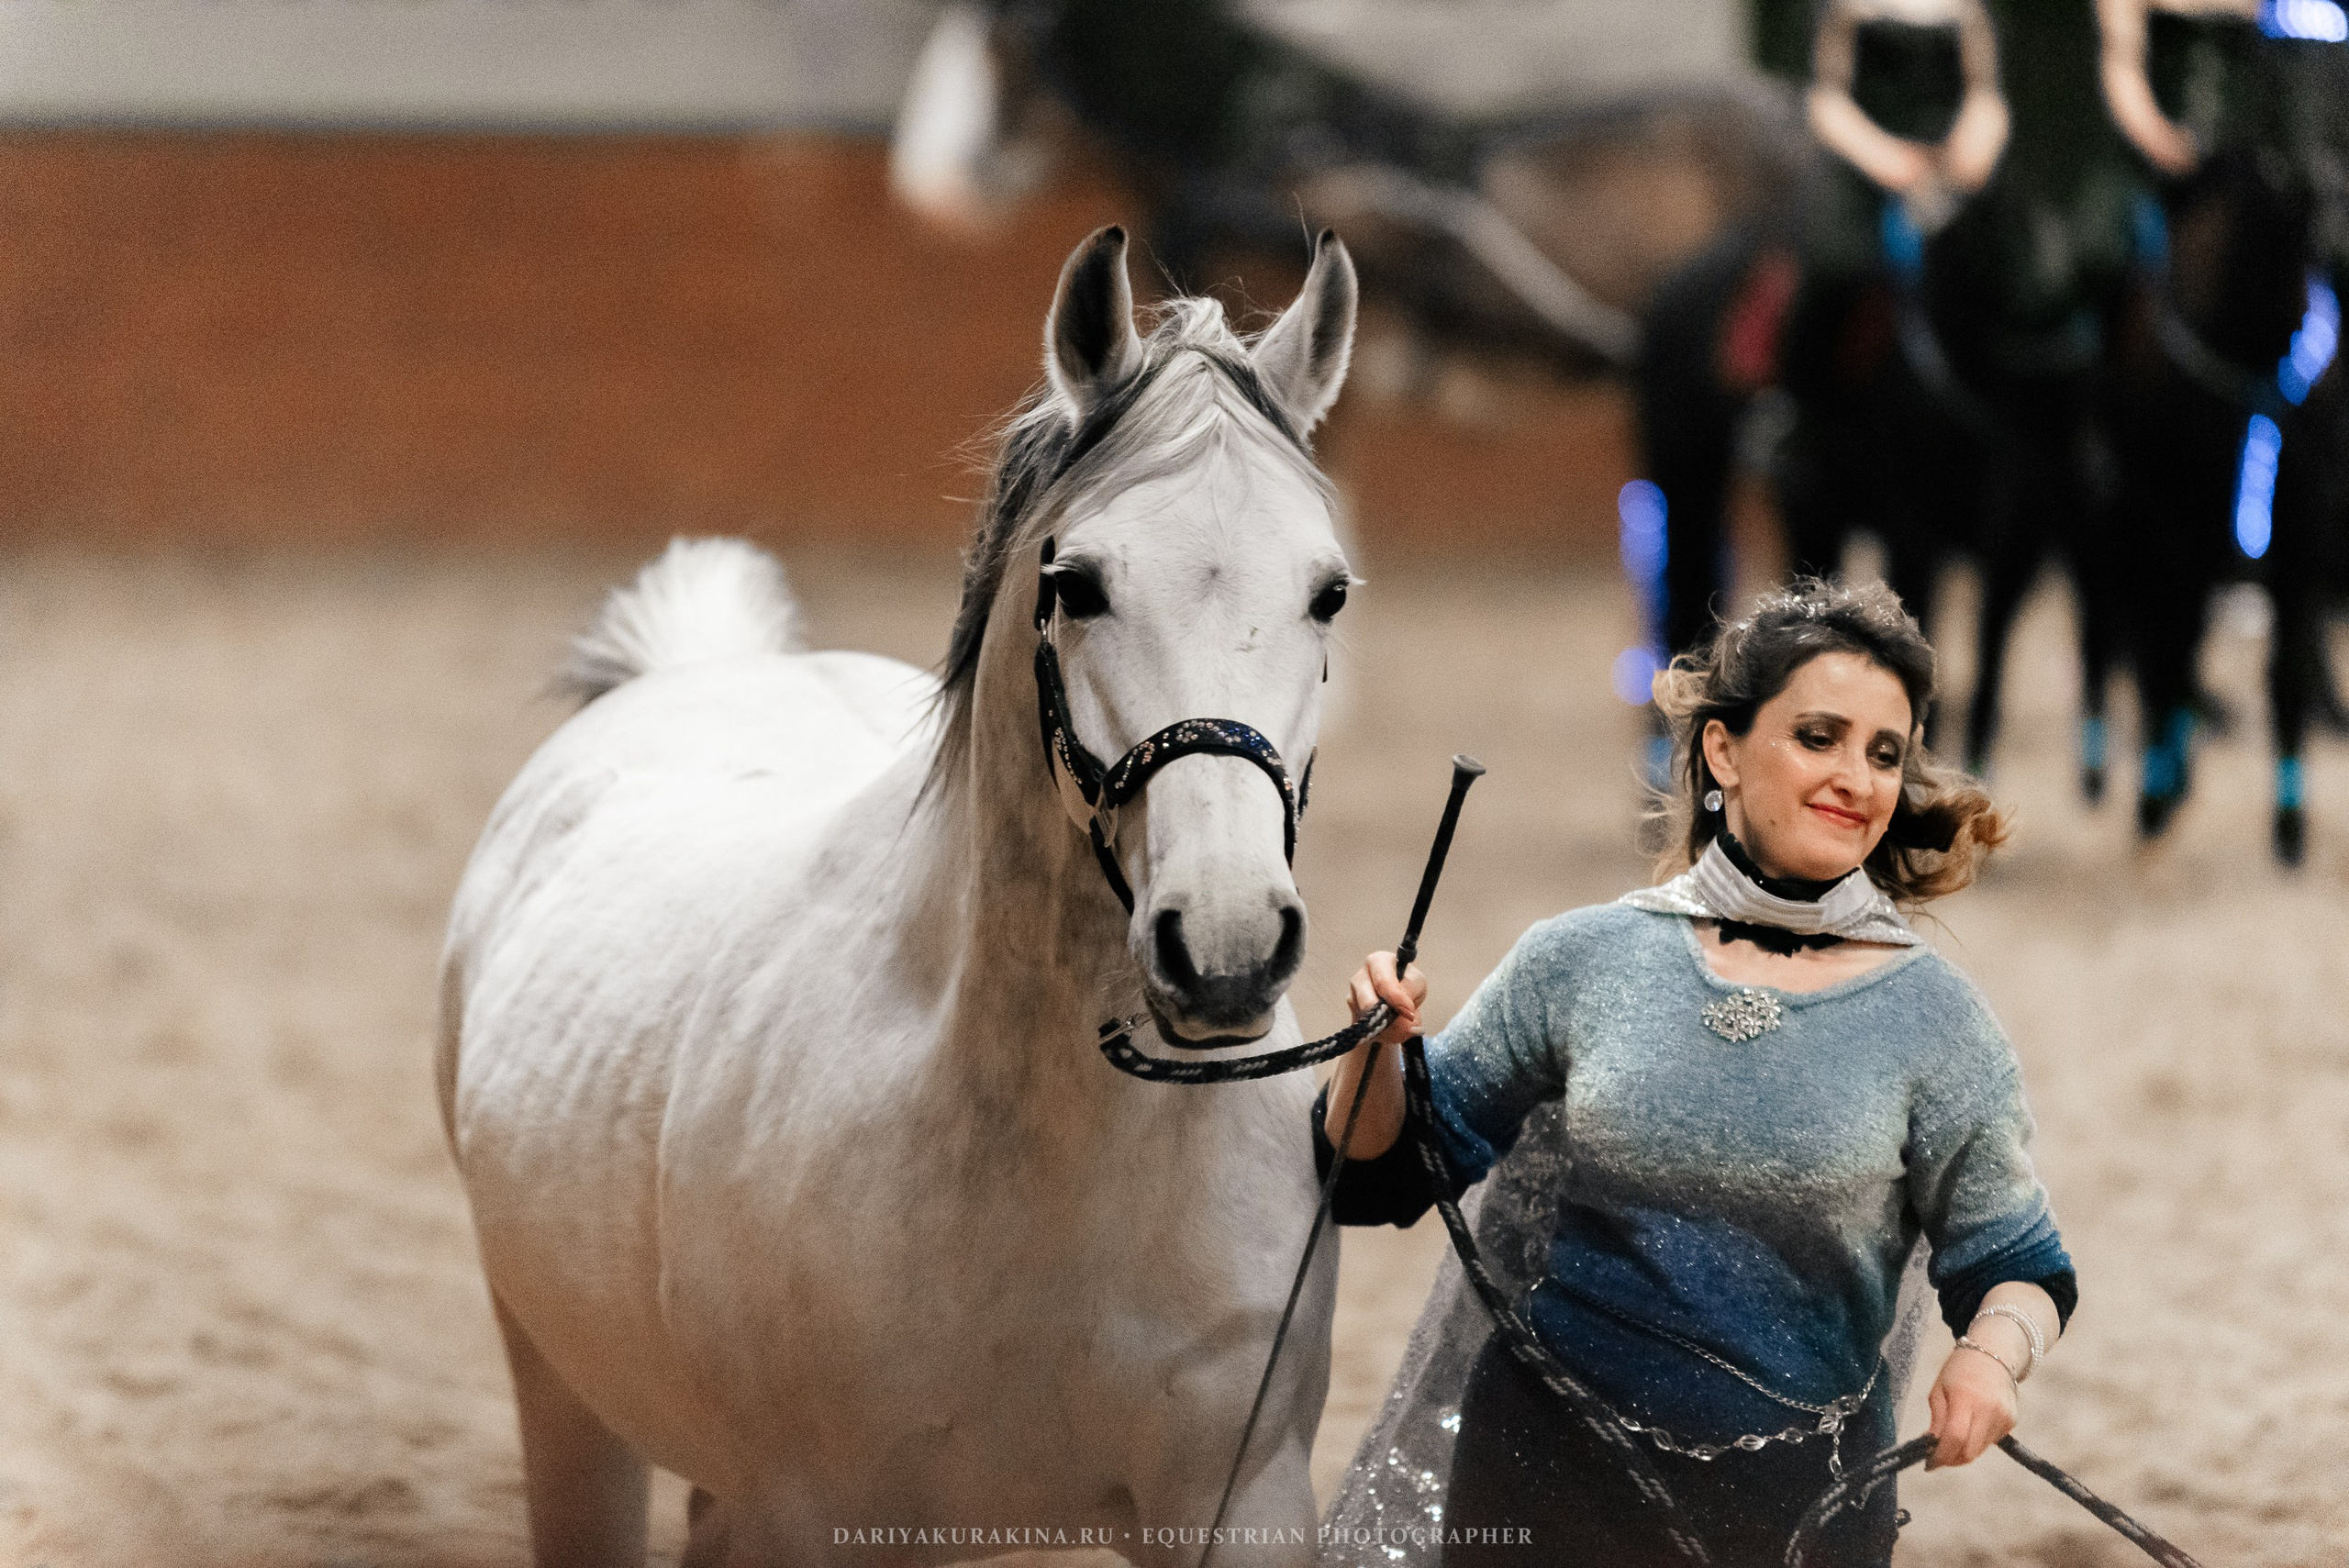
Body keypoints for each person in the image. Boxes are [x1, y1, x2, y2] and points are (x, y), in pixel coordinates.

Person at [1313, 580, 2073, 1568]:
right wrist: (1374, 1044)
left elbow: (2019, 1259)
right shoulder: (1577, 958)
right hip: (1537, 1481)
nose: (1856, 776)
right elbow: (1376, 1175)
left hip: (1800, 1505)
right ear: (1723, 750)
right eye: (1818, 736)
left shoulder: (1937, 1022)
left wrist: (1988, 1358)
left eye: (1884, 752)